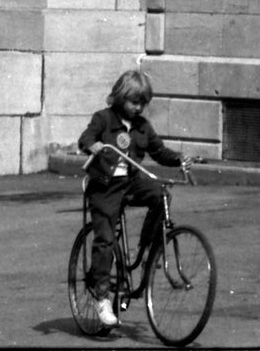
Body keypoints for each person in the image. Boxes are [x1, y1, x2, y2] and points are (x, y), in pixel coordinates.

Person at [78, 68, 190, 328]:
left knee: (161, 195)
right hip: (104, 186)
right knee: (105, 239)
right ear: (119, 97)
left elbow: (159, 151)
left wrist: (179, 159)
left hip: (130, 183)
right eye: (134, 102)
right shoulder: (103, 119)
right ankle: (102, 296)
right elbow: (85, 138)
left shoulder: (142, 127)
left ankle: (148, 248)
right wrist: (92, 145)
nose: (139, 107)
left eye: (143, 103)